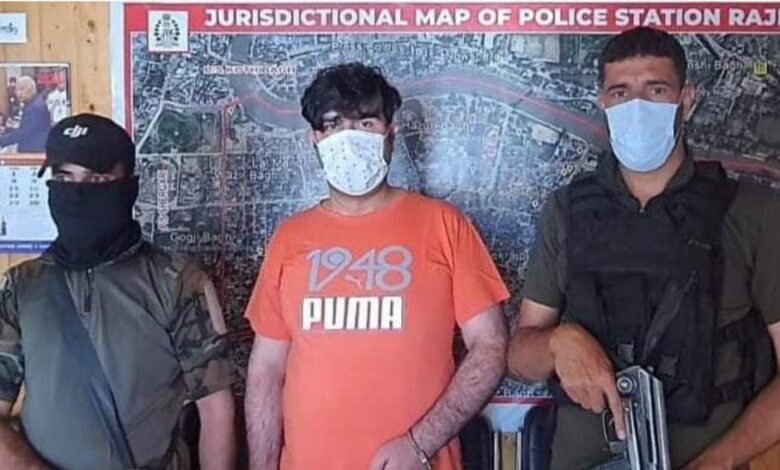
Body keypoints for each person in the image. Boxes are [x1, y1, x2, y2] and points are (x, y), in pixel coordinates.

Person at [507, 26, 780, 469]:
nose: (637, 107)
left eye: (656, 90)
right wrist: (559, 342)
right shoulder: (567, 210)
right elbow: (520, 357)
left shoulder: (752, 213)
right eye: (621, 92)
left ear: (686, 101)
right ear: (602, 103)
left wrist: (718, 462)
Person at [244, 63, 509, 470]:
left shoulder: (444, 225)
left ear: (390, 134)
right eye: (333, 124)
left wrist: (419, 444)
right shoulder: (289, 239)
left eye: (365, 122)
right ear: (314, 139)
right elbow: (266, 370)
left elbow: (490, 345)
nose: (349, 137)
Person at [0, 113, 237, 469]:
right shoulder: (20, 287)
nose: (77, 192)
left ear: (128, 188)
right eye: (64, 177)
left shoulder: (177, 281)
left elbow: (216, 409)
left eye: (96, 178)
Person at [0, 76, 51, 152]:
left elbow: (25, 133)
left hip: (35, 151)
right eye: (16, 90)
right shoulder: (31, 104)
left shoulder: (36, 107)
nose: (17, 93)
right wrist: (7, 130)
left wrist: (2, 140)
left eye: (21, 89)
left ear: (30, 89)